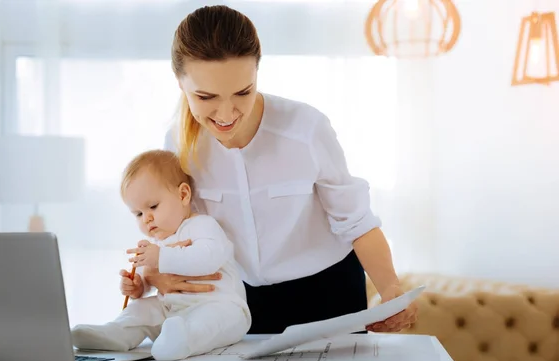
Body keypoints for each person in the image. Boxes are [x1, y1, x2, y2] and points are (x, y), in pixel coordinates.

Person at [144, 4, 418, 334]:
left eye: (243, 92)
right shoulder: (176, 146)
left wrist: (390, 288)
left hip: (327, 294)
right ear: (179, 83)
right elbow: (177, 228)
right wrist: (156, 275)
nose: (226, 113)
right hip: (235, 302)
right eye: (205, 97)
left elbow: (357, 222)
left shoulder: (305, 129)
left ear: (257, 73)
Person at [71, 150, 251, 360]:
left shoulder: (202, 225)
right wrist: (138, 286)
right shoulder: (156, 244)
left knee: (211, 321)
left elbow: (208, 259)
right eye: (138, 214)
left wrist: (160, 257)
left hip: (219, 305)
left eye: (153, 207)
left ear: (183, 195)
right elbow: (148, 280)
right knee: (141, 309)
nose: (146, 219)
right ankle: (116, 333)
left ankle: (182, 340)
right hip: (171, 310)